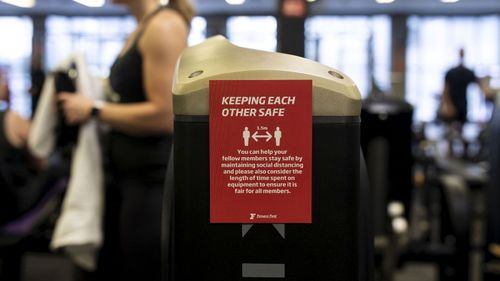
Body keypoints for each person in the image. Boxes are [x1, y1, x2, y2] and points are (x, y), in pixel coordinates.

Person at [57, 0, 194, 280]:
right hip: (127, 175)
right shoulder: (142, 28)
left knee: (141, 269)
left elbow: (165, 115)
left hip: (149, 180)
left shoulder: (164, 26)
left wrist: (94, 109)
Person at [441, 48, 491, 157]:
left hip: (463, 104)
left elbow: (480, 85)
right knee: (451, 130)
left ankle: (464, 152)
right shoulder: (451, 72)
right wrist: (448, 105)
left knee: (461, 130)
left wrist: (488, 93)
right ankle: (451, 153)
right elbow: (445, 90)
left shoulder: (468, 73)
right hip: (452, 103)